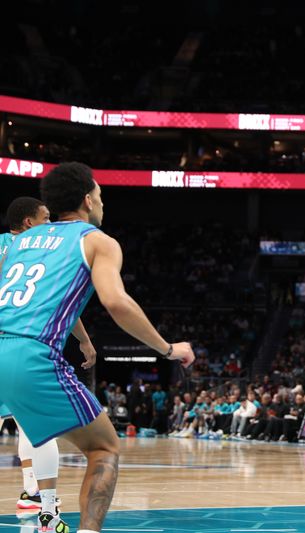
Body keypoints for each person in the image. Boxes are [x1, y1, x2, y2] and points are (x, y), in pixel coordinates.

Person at [0, 162, 195, 533]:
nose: (103, 204)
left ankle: (38, 501)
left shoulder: (21, 241)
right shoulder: (96, 240)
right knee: (104, 448)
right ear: (88, 200)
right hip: (31, 355)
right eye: (101, 196)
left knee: (34, 435)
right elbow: (117, 303)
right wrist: (169, 349)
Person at [1, 196, 99, 519]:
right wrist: (84, 341)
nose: (51, 224)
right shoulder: (42, 252)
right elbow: (61, 303)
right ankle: (46, 508)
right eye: (46, 218)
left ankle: (32, 493)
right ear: (29, 223)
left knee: (30, 427)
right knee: (38, 428)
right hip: (23, 349)